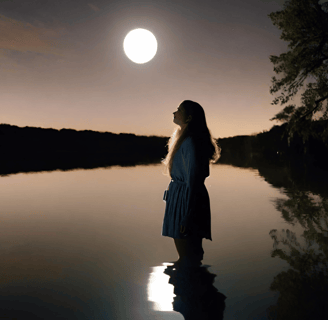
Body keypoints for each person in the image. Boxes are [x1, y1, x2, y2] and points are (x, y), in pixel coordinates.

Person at [161, 100, 221, 267]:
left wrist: (187, 215)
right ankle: (191, 288)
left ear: (188, 118)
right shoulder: (184, 139)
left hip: (187, 200)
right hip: (181, 197)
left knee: (188, 256)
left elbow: (193, 181)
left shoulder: (191, 142)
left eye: (179, 110)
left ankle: (192, 289)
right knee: (188, 256)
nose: (174, 113)